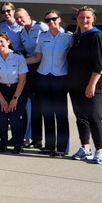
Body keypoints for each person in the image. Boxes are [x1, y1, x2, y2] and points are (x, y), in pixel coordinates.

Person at [26, 10, 73, 157]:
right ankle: (50, 145)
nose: (51, 22)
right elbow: (37, 57)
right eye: (47, 20)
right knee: (47, 113)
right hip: (43, 76)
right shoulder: (43, 37)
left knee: (61, 114)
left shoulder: (68, 37)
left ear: (59, 19)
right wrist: (17, 61)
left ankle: (62, 147)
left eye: (53, 19)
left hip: (60, 77)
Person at [67, 6, 102, 165]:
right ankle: (85, 148)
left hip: (93, 83)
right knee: (81, 116)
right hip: (76, 83)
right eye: (81, 18)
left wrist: (91, 85)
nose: (84, 20)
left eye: (87, 18)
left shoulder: (95, 36)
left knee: (93, 116)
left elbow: (99, 65)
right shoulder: (77, 37)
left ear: (93, 19)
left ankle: (99, 150)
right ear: (77, 19)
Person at [0, 32, 27, 154]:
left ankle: (18, 144)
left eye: (2, 41)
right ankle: (3, 143)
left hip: (17, 90)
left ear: (8, 42)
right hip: (1, 91)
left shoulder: (18, 57)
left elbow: (22, 79)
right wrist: (2, 100)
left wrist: (15, 98)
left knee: (15, 117)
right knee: (1, 118)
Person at [15, 7, 47, 149]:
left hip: (43, 67)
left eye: (21, 17)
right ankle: (35, 138)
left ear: (28, 15)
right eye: (17, 19)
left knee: (40, 105)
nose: (19, 20)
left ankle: (40, 139)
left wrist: (18, 63)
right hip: (30, 68)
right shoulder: (22, 32)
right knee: (33, 105)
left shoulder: (41, 27)